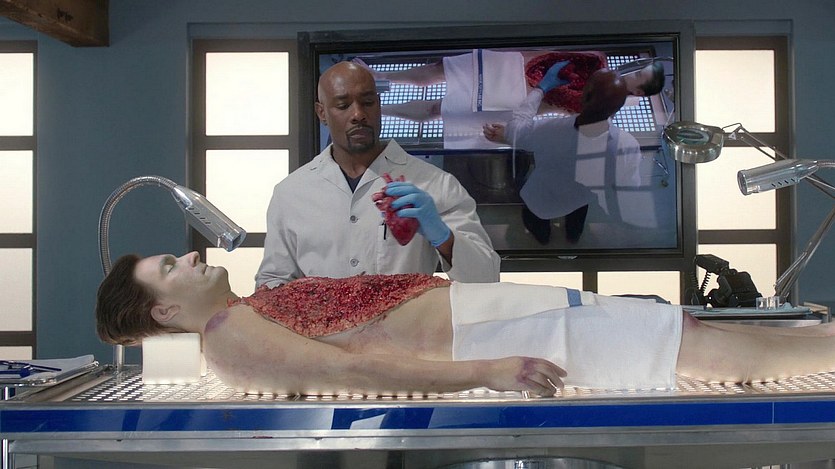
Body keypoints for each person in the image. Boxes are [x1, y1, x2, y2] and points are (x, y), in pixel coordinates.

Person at [98, 251, 835, 397]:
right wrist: (488, 371)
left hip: (486, 316)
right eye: (169, 266)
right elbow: (347, 371)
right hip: (485, 338)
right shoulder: (229, 336)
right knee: (683, 344)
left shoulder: (242, 313)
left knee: (679, 331)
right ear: (164, 309)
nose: (188, 256)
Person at [255, 61, 500, 288]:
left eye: (368, 102)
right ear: (322, 113)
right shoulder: (292, 193)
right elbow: (272, 281)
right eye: (343, 105)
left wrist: (442, 236)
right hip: (320, 323)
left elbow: (486, 277)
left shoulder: (436, 184)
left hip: (404, 321)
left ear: (379, 105)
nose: (358, 114)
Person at [355, 50, 664, 148]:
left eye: (639, 75)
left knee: (442, 109)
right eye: (638, 67)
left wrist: (513, 134)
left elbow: (559, 131)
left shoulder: (602, 110)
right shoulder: (599, 58)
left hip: (517, 98)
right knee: (443, 68)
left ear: (639, 92)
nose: (632, 70)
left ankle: (379, 109)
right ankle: (380, 78)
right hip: (510, 64)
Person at [482, 65, 643, 244]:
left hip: (542, 196)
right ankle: (573, 237)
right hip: (580, 198)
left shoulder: (551, 129)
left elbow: (516, 131)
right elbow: (629, 185)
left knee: (536, 220)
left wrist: (541, 88)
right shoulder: (628, 146)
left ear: (583, 96)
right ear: (618, 109)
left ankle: (543, 239)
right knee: (576, 222)